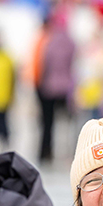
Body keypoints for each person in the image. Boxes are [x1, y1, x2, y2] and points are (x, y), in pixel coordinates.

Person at [33, 13, 75, 162]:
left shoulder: (47, 41)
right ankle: (65, 154)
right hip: (65, 88)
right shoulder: (71, 42)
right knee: (65, 124)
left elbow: (43, 64)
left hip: (48, 87)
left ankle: (45, 152)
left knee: (47, 123)